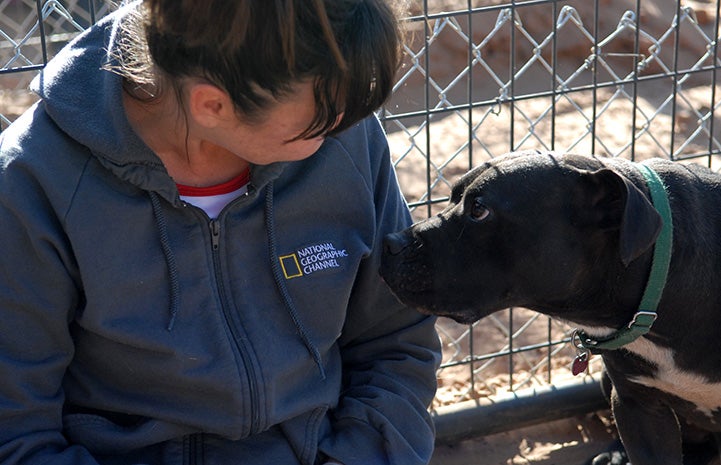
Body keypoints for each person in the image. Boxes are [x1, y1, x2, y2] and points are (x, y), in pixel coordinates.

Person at [0, 0, 441, 464]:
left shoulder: (345, 135)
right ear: (211, 104)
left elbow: (397, 343)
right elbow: (16, 432)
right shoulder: (32, 184)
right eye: (324, 112)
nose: (346, 121)